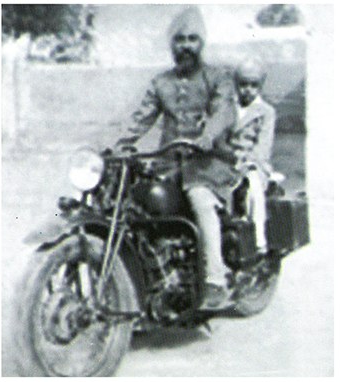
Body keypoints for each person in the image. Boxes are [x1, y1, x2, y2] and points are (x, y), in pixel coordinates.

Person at [116, 6, 240, 310]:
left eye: (192, 39)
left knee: (199, 200)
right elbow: (141, 117)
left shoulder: (218, 78)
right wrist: (119, 144)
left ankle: (216, 280)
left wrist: (206, 138)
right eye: (180, 39)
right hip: (169, 162)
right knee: (133, 200)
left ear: (202, 43)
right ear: (172, 44)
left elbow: (224, 111)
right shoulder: (161, 83)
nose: (186, 45)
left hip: (208, 164)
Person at [229, 57, 276, 254]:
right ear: (236, 84)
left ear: (260, 86)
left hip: (252, 163)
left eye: (253, 85)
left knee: (253, 188)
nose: (247, 89)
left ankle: (258, 238)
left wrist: (249, 162)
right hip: (227, 160)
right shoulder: (228, 108)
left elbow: (263, 146)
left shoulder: (266, 112)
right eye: (243, 85)